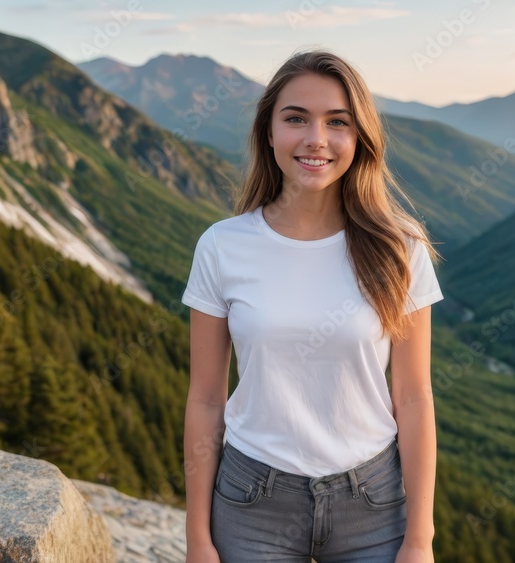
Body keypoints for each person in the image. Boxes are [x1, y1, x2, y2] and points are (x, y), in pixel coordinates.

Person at [181, 49, 444, 563]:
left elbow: (413, 398)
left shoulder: (401, 247)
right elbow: (206, 400)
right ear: (269, 132)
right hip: (250, 500)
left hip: (373, 502)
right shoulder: (222, 246)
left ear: (359, 137)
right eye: (295, 118)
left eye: (337, 122)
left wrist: (420, 539)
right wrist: (197, 539)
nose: (315, 139)